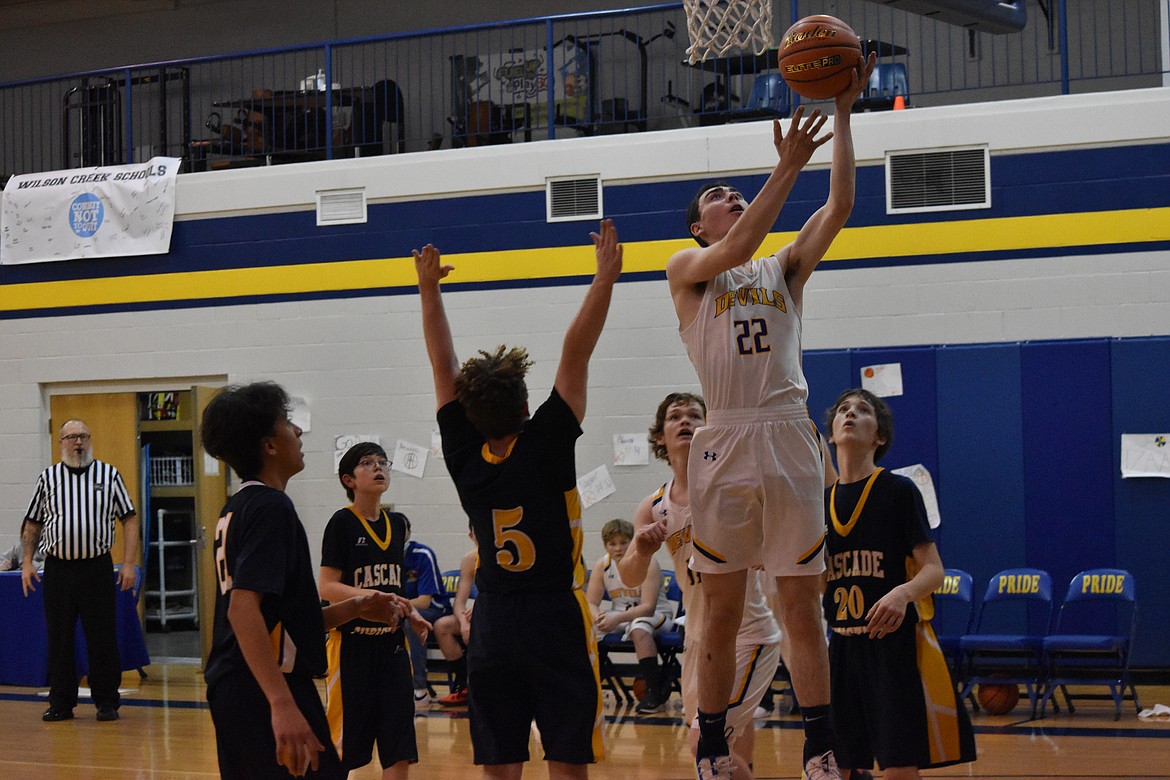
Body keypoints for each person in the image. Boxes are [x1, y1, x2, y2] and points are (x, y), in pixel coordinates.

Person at [663, 53, 875, 780]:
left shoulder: (782, 269)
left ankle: (820, 745)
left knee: (798, 603)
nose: (732, 195)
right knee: (720, 609)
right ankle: (714, 746)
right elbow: (740, 242)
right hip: (724, 435)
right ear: (698, 227)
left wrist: (844, 112)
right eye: (719, 195)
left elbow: (840, 205)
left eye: (734, 189)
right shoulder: (687, 271)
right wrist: (786, 166)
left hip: (787, 432)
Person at [413, 217, 622, 779]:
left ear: (470, 415)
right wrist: (604, 278)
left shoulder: (461, 455)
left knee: (499, 766)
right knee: (567, 763)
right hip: (556, 613)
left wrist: (428, 289)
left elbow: (441, 365)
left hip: (496, 620)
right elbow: (575, 352)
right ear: (526, 410)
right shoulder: (548, 442)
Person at [201, 382, 405, 780]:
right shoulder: (271, 507)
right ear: (269, 445)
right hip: (264, 686)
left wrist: (356, 607)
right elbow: (243, 609)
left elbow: (284, 621)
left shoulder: (239, 505)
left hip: (242, 684)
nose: (297, 431)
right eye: (287, 423)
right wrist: (281, 702)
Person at [619, 392, 782, 779]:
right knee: (731, 747)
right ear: (660, 436)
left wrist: (764, 549)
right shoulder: (654, 505)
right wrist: (641, 550)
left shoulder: (734, 487)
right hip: (698, 642)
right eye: (676, 416)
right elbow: (629, 577)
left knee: (704, 744)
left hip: (748, 634)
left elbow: (779, 539)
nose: (686, 421)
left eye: (695, 415)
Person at [822, 389, 975, 780]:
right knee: (840, 766)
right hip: (840, 645)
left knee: (899, 766)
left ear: (880, 437)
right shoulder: (818, 502)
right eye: (843, 410)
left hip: (891, 648)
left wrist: (902, 593)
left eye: (863, 410)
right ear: (833, 433)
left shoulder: (899, 491)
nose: (850, 414)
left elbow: (934, 570)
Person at [319, 442, 432, 779]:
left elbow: (393, 588)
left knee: (399, 746)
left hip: (393, 647)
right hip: (351, 647)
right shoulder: (341, 523)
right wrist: (372, 598)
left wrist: (410, 611)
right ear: (348, 479)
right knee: (343, 747)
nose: (378, 467)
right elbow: (326, 586)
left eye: (383, 462)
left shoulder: (396, 524)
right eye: (367, 463)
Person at [20, 419, 139, 723]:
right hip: (59, 569)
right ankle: (61, 702)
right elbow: (33, 523)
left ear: (90, 440)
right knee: (59, 637)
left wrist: (127, 564)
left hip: (96, 567)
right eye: (71, 437)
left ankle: (107, 702)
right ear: (60, 443)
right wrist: (26, 562)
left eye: (83, 436)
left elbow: (129, 519)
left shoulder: (109, 474)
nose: (78, 442)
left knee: (102, 636)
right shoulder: (48, 478)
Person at [585, 518, 674, 714]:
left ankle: (653, 693)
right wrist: (599, 617)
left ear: (632, 541)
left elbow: (648, 607)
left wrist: (615, 618)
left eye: (623, 542)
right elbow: (591, 602)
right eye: (612, 543)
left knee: (639, 627)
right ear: (605, 545)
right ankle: (587, 688)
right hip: (622, 616)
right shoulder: (602, 565)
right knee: (587, 629)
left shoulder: (647, 561)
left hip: (657, 616)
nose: (618, 548)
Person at [402, 517, 452, 707]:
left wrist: (396, 604)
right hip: (404, 609)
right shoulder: (384, 556)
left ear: (409, 532)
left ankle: (420, 690)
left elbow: (424, 602)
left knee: (411, 622)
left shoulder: (422, 554)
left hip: (435, 611)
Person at [432, 543, 476, 707]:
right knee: (442, 626)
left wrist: (481, 607)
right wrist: (464, 622)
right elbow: (459, 601)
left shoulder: (504, 556)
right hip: (479, 615)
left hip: (498, 614)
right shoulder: (470, 559)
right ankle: (465, 684)